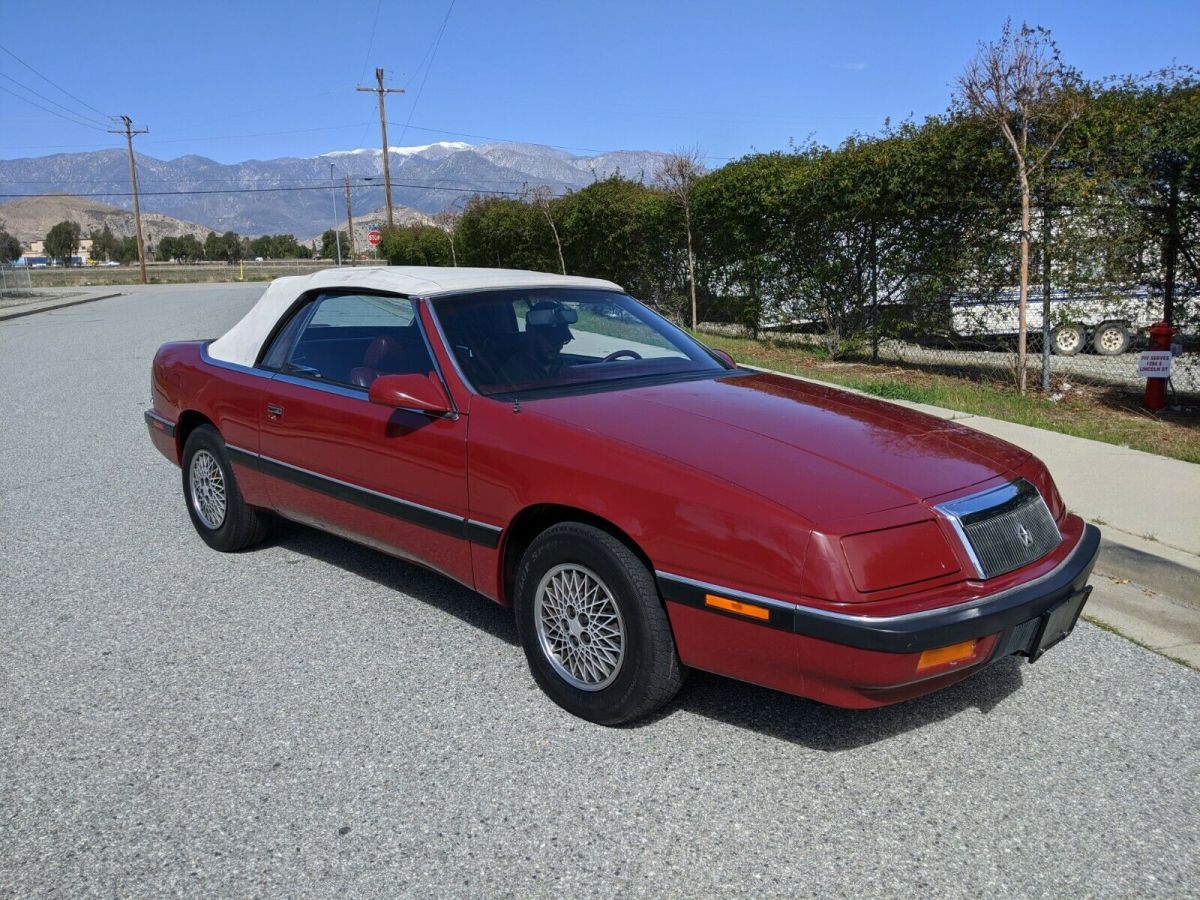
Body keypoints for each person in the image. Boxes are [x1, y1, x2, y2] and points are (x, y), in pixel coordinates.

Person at [496, 300, 577, 385]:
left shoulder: (569, 364)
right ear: (531, 334)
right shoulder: (513, 372)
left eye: (563, 340)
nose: (559, 346)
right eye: (553, 340)